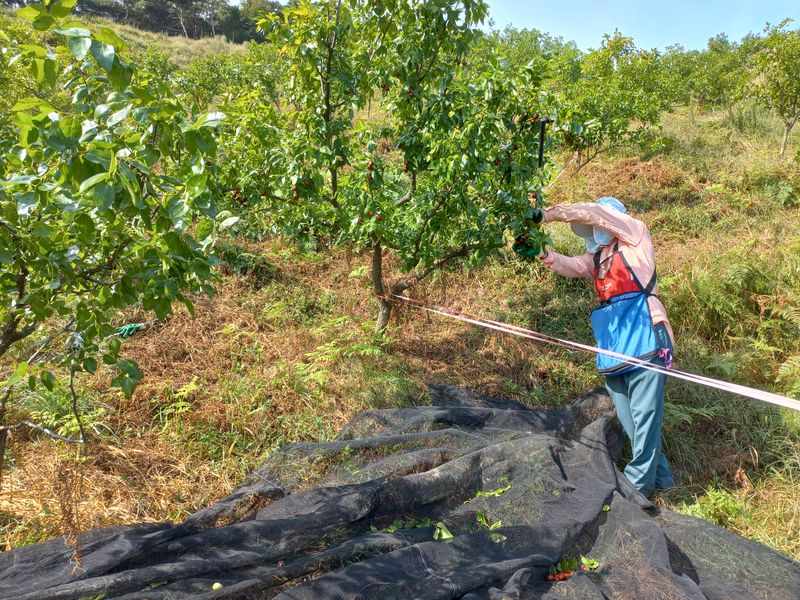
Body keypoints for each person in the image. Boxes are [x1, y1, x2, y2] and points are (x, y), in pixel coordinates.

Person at [518, 196, 675, 498]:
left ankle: (636, 489)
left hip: (646, 335)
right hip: (614, 345)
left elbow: (596, 214)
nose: (594, 232)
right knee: (630, 419)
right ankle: (663, 479)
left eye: (598, 225)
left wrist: (548, 214)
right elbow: (570, 265)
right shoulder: (599, 258)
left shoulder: (635, 236)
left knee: (646, 415)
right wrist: (541, 251)